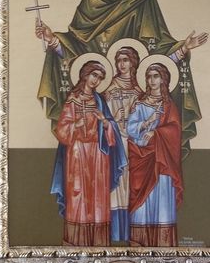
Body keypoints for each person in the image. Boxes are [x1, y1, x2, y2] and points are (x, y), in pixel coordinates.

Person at [35, 0, 207, 155]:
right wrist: (53, 40)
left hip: (137, 97)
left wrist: (183, 48)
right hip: (103, 95)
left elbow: (158, 49)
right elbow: (78, 47)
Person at [50, 60, 126, 246]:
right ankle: (77, 241)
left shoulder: (99, 101)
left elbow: (111, 127)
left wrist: (105, 122)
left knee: (98, 196)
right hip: (77, 153)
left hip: (98, 154)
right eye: (94, 75)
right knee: (78, 193)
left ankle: (98, 242)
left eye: (100, 78)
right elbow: (61, 130)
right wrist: (76, 125)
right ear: (85, 74)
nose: (96, 80)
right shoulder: (72, 99)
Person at [127, 62, 183, 247]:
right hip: (141, 157)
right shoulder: (139, 104)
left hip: (161, 160)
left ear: (163, 79)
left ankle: (162, 244)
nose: (152, 80)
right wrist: (146, 124)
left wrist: (156, 133)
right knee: (142, 203)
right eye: (149, 76)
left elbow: (175, 131)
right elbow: (130, 129)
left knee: (162, 197)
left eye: (156, 76)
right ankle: (140, 242)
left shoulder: (168, 106)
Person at [104, 46, 143, 242]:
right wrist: (114, 118)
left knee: (131, 187)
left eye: (125, 60)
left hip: (135, 145)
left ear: (133, 63)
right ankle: (116, 233)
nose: (121, 64)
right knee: (117, 185)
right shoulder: (109, 90)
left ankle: (131, 232)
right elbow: (103, 119)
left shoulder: (139, 90)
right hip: (116, 142)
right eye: (119, 60)